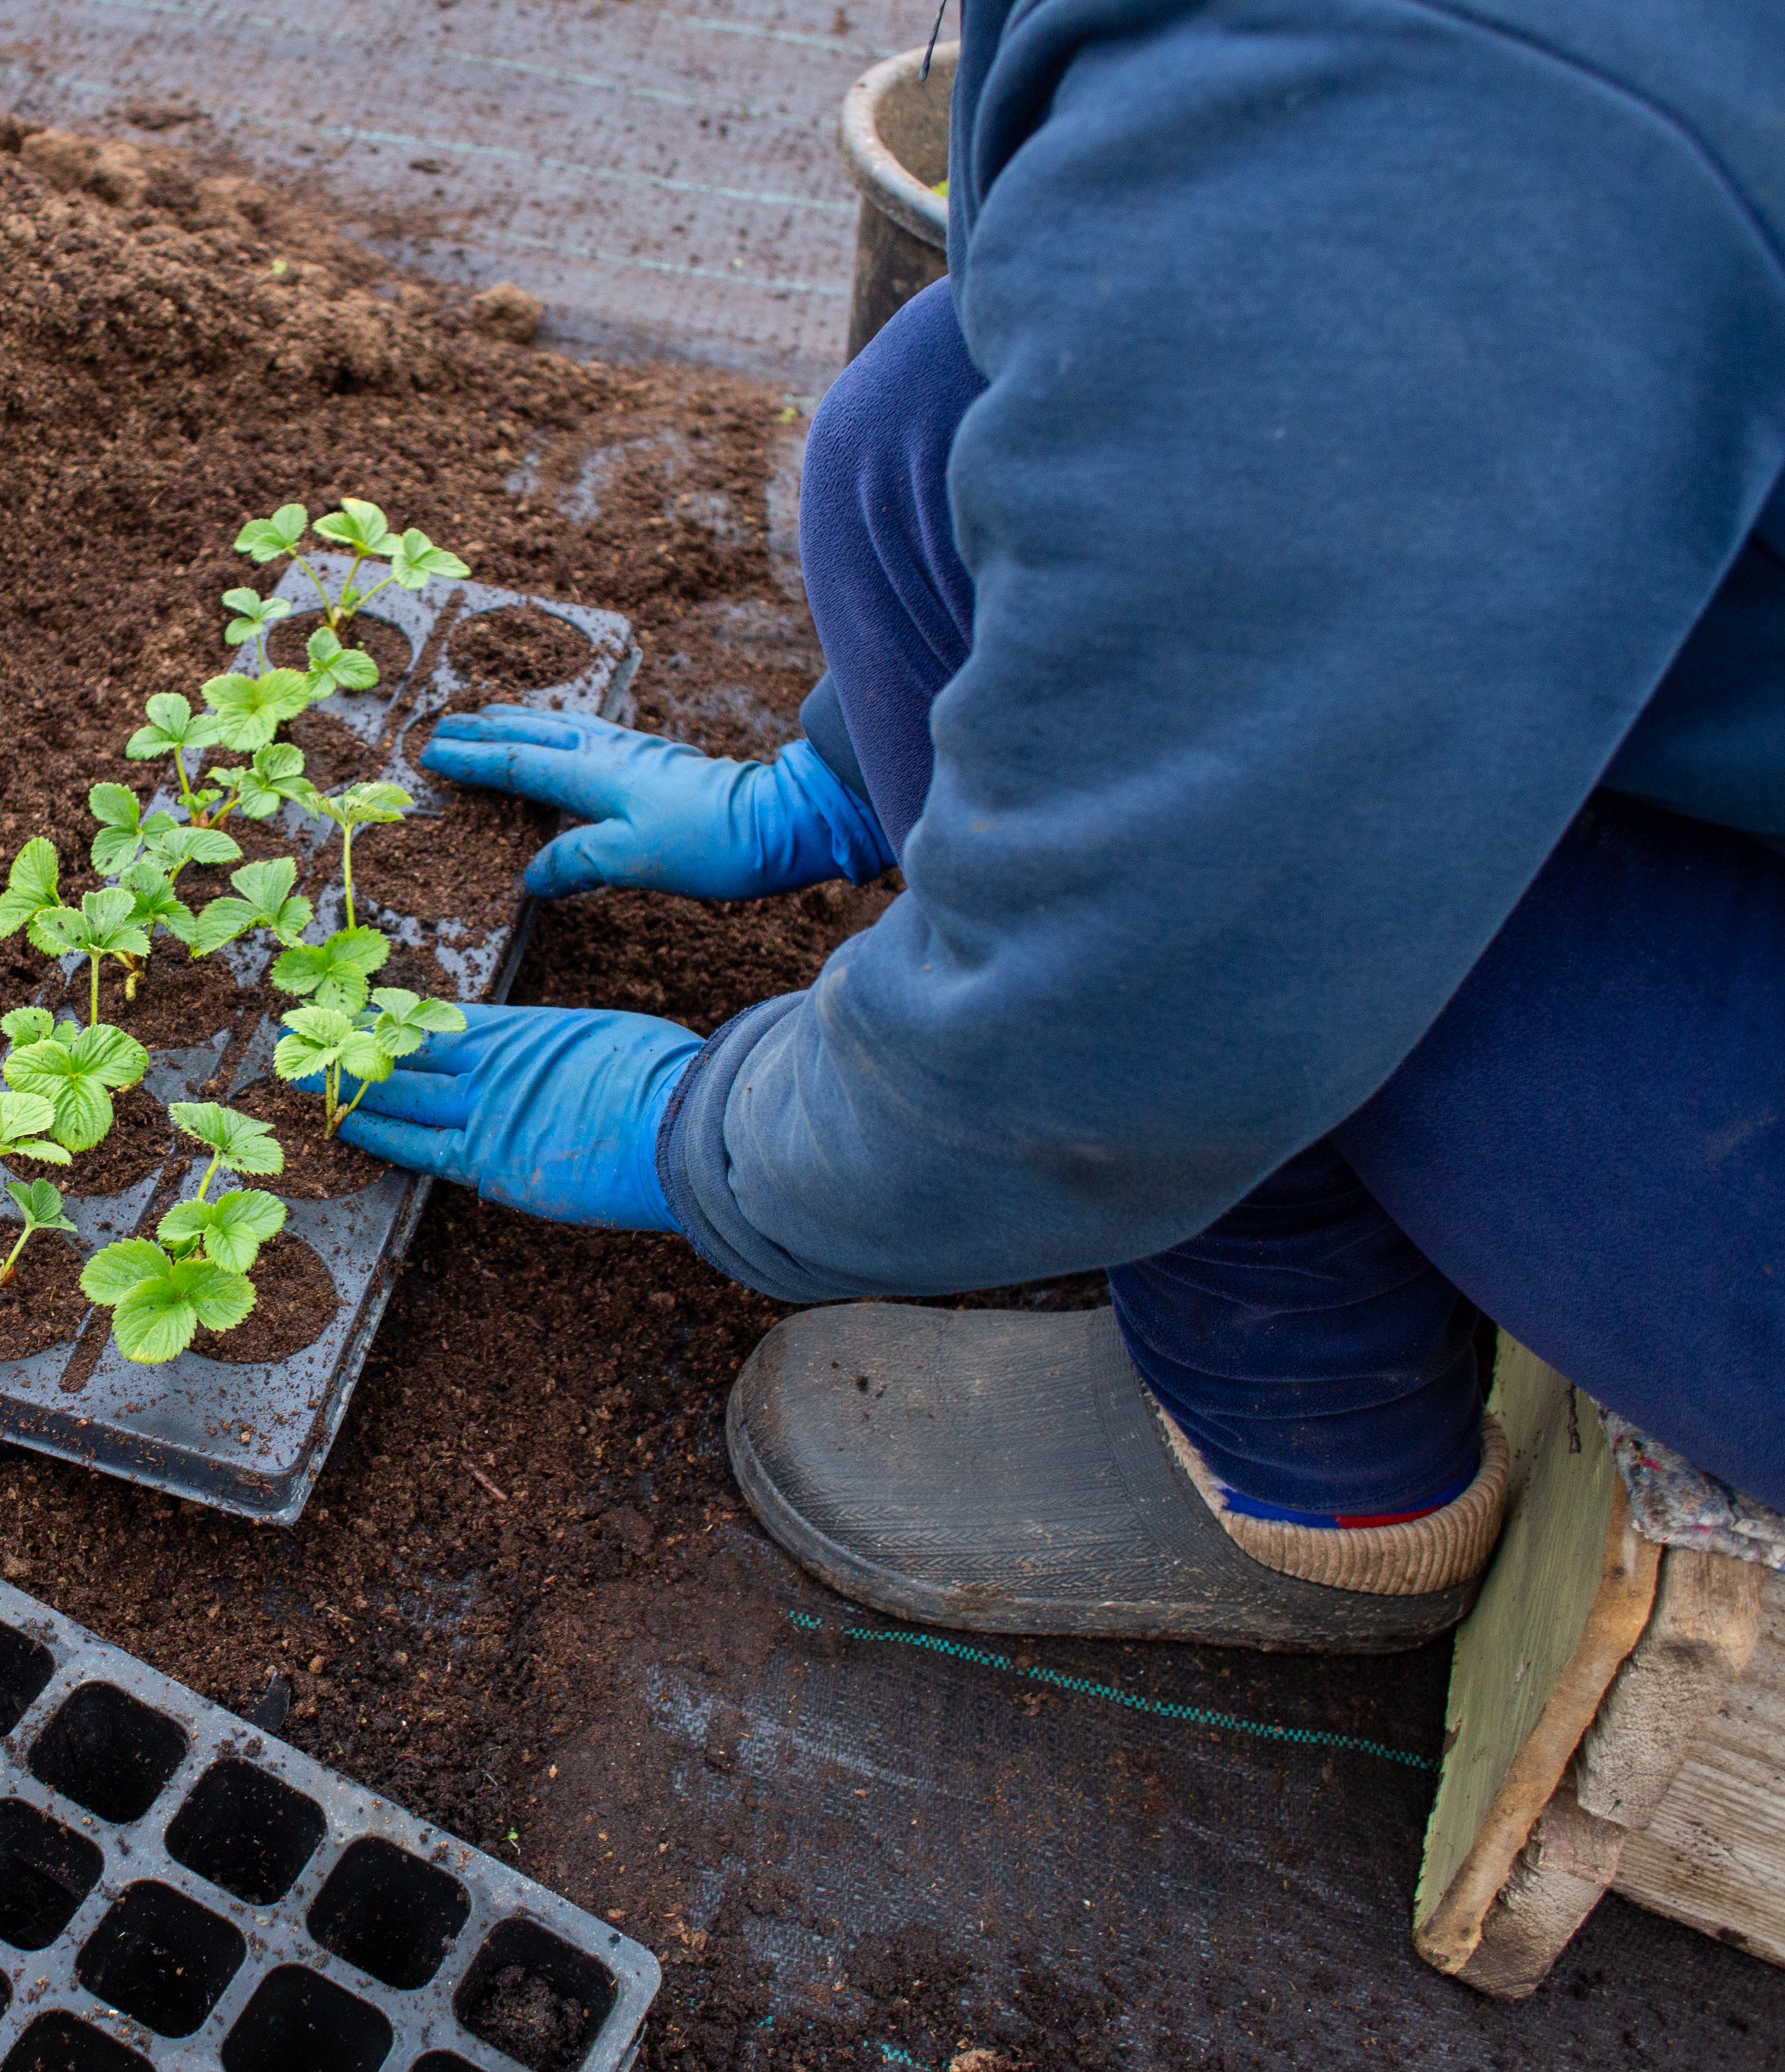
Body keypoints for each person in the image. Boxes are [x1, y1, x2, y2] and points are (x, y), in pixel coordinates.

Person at [325, 0, 1785, 1649]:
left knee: (1249, 936)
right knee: (926, 427)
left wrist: (713, 1135)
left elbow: (1153, 994)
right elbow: (1167, 447)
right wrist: (839, 781)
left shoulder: (1452, 91)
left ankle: (1322, 1481)